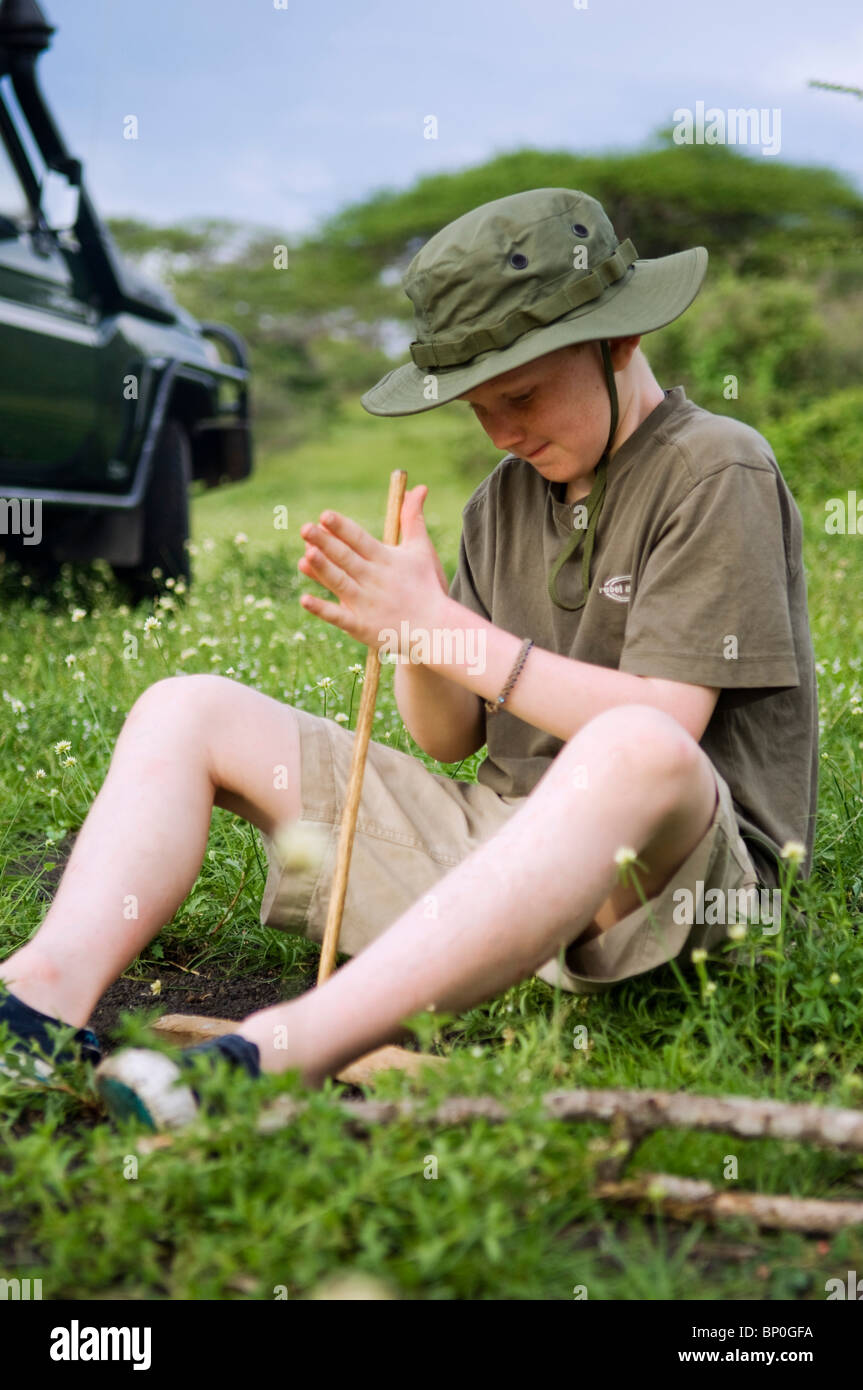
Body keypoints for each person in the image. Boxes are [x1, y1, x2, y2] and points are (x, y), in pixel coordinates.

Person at [0, 188, 818, 1130]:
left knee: (636, 742)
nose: (503, 431)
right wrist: (414, 634)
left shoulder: (717, 467)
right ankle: (39, 1001)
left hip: (671, 894)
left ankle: (278, 1052)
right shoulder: (500, 502)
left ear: (618, 342)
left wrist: (449, 628)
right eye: (479, 407)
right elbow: (446, 739)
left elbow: (669, 724)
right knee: (187, 705)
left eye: (521, 394)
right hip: (496, 860)